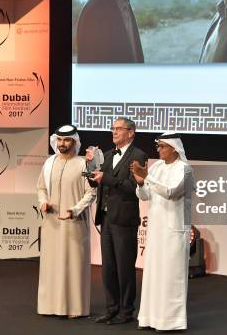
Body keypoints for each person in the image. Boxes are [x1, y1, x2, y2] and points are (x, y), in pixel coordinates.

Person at [131, 132, 194, 331]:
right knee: (154, 274)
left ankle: (171, 322)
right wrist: (141, 183)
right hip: (156, 230)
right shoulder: (157, 167)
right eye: (158, 146)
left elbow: (171, 192)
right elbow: (145, 195)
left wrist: (146, 176)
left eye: (162, 146)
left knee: (171, 277)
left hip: (174, 230)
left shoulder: (185, 170)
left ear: (174, 148)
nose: (158, 150)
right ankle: (150, 318)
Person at [88, 117, 148, 324]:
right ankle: (111, 308)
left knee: (125, 268)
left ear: (131, 132)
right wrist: (90, 169)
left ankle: (126, 310)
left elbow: (134, 188)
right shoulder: (106, 155)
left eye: (119, 129)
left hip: (124, 220)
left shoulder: (138, 155)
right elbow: (98, 183)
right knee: (109, 268)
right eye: (112, 129)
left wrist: (106, 179)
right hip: (106, 218)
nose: (114, 132)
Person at [36, 125, 96, 318]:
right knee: (51, 265)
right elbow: (41, 188)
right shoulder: (49, 163)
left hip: (75, 224)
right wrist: (43, 202)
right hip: (52, 224)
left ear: (75, 142)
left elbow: (91, 192)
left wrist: (75, 210)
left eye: (67, 140)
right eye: (60, 140)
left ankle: (75, 309)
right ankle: (49, 306)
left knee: (73, 265)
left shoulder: (84, 164)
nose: (62, 144)